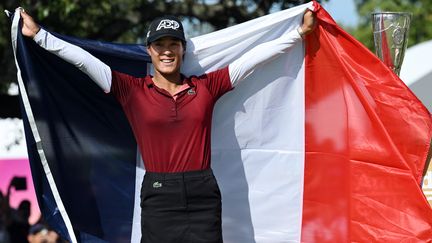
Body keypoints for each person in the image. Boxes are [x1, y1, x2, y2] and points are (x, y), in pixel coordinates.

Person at [20, 8, 316, 243]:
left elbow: (252, 60)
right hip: (159, 197)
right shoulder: (130, 89)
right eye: (159, 44)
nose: (166, 50)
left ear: (183, 49)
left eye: (173, 44)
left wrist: (298, 33)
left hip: (203, 194)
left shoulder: (207, 86)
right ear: (149, 50)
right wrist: (39, 36)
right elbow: (85, 61)